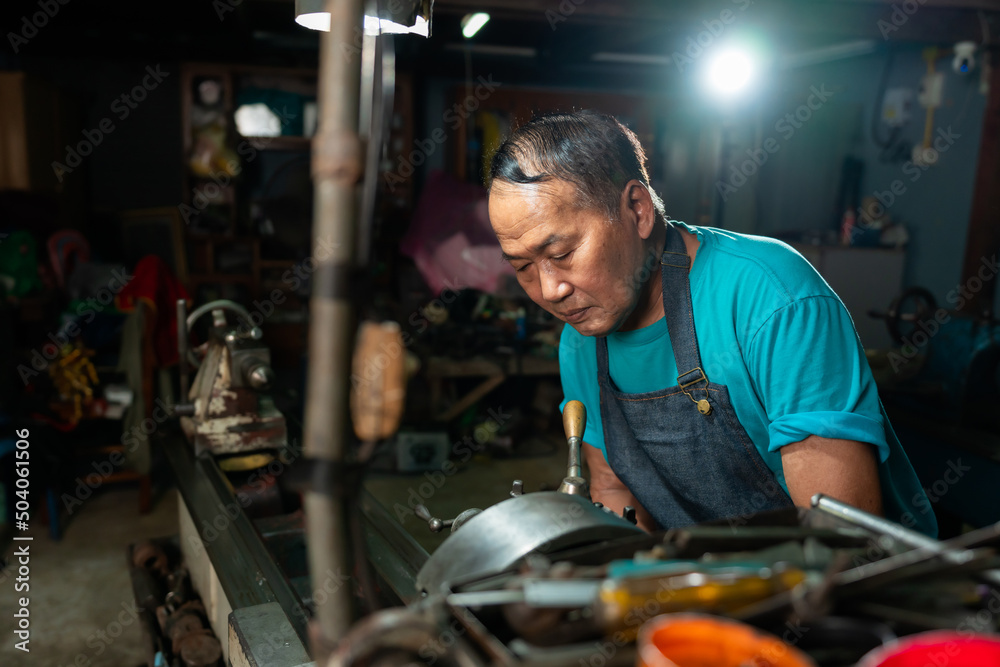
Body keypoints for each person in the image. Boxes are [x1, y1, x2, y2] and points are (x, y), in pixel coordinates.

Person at [486, 110, 936, 536]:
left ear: (638, 210)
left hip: (858, 598)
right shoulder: (581, 342)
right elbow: (614, 494)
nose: (549, 291)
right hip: (706, 588)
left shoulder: (774, 298)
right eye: (522, 267)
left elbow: (842, 538)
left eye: (561, 254)